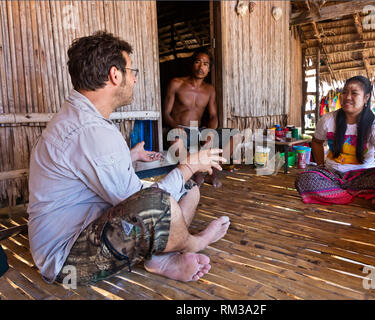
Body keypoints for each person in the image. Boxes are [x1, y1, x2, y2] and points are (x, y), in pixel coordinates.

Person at [27, 31, 230, 286]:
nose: (134, 79)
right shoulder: (90, 131)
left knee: (188, 190)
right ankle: (194, 243)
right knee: (160, 199)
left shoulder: (83, 119)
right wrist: (189, 165)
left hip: (92, 227)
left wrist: (130, 155)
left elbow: (88, 169)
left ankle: (159, 258)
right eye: (132, 71)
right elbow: (145, 203)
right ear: (115, 75)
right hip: (66, 260)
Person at [295, 76, 375, 212]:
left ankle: (336, 195)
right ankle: (360, 200)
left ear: (366, 98)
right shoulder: (328, 119)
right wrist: (321, 165)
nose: (347, 97)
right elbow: (316, 142)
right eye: (344, 92)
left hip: (363, 176)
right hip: (332, 175)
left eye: (354, 93)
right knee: (304, 178)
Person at [163, 48, 230, 188]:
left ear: (209, 69)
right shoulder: (176, 83)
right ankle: (196, 173)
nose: (201, 67)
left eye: (205, 64)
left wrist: (210, 132)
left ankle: (212, 174)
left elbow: (213, 115)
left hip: (198, 129)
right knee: (176, 141)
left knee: (232, 136)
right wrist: (176, 126)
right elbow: (166, 113)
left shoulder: (209, 89)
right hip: (179, 128)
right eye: (198, 62)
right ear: (192, 64)